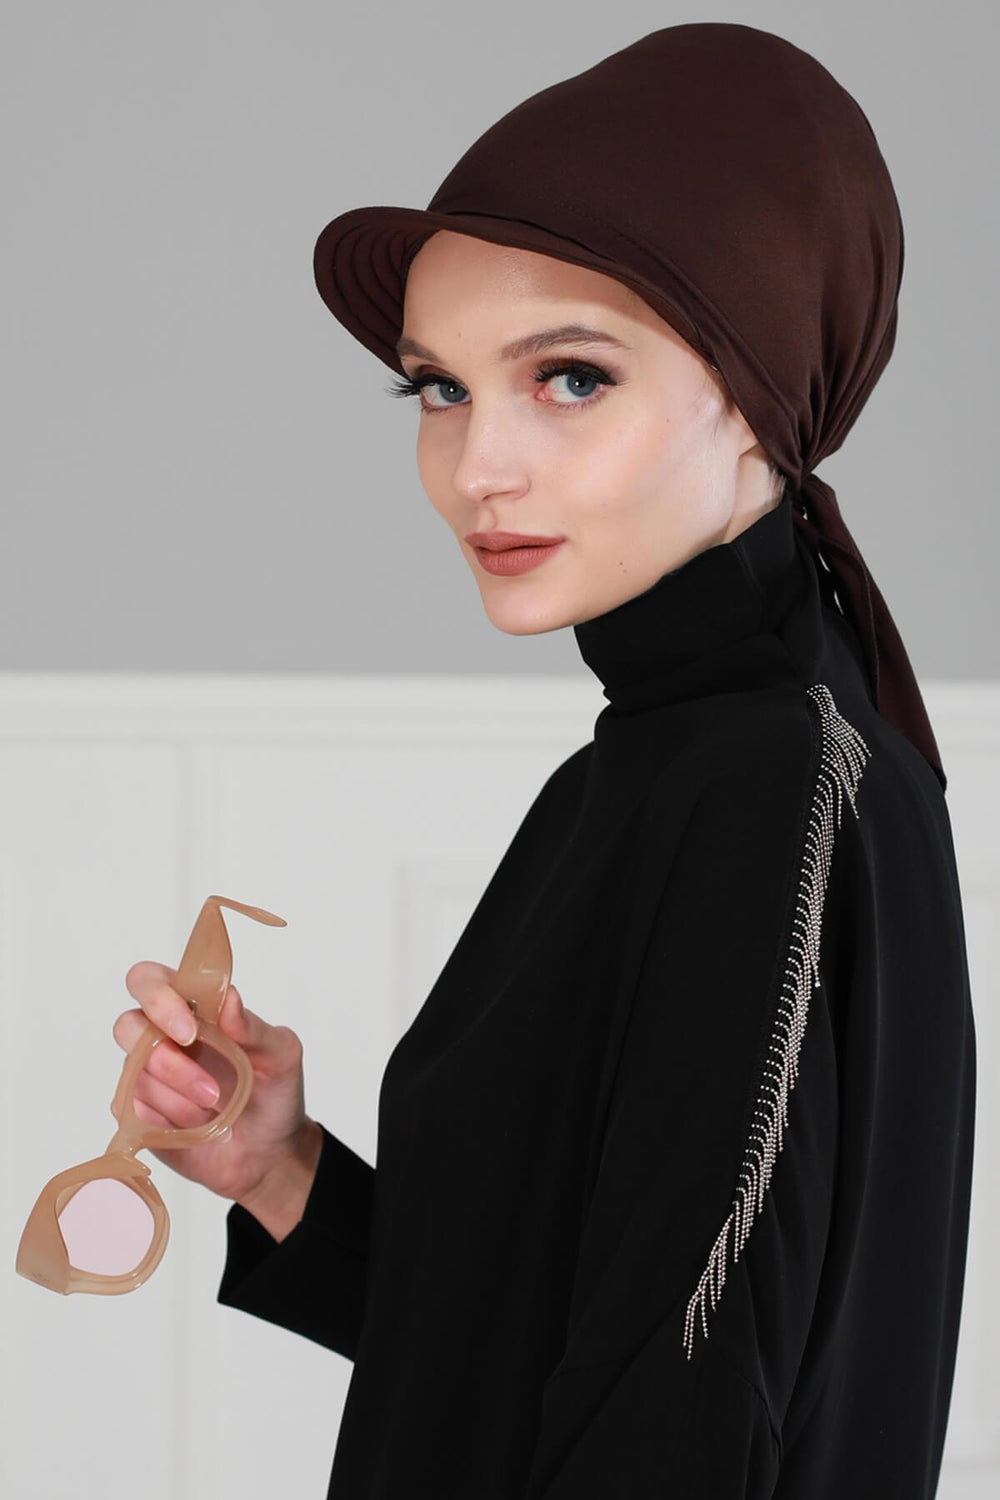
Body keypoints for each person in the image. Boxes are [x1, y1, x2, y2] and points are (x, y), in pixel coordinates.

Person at [112, 22, 976, 1499]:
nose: (477, 468)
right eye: (439, 388)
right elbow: (525, 1355)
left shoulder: (766, 788)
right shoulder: (663, 766)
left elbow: (674, 1424)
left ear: (761, 392)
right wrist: (280, 1167)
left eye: (571, 378)